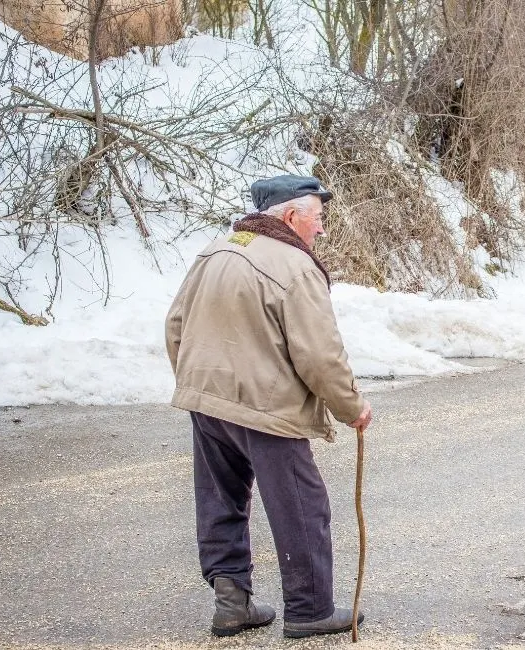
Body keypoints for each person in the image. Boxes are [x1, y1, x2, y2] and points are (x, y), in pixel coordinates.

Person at [165, 174, 373, 638]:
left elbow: (175, 324)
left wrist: (196, 381)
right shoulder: (295, 266)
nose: (321, 229)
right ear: (292, 215)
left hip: (207, 399)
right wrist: (351, 407)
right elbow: (320, 355)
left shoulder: (215, 251)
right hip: (265, 406)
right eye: (317, 218)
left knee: (221, 500)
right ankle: (311, 610)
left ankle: (232, 603)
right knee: (302, 505)